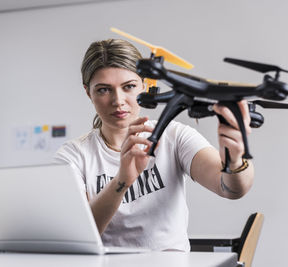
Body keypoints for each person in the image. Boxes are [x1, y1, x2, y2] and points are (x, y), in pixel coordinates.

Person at [54, 39, 254, 251]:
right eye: (104, 90)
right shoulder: (73, 156)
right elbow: (78, 235)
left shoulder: (174, 136)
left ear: (145, 85)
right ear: (88, 93)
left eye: (129, 86)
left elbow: (231, 189)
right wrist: (122, 179)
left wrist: (234, 160)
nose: (118, 100)